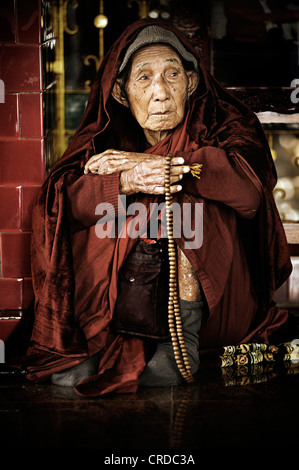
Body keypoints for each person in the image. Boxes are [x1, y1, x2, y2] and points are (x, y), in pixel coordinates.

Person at [16, 18, 291, 397]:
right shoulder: (104, 136)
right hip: (130, 304)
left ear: (190, 82)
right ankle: (98, 341)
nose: (160, 92)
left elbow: (247, 195)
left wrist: (138, 163)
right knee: (104, 216)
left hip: (221, 301)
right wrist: (125, 182)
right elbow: (63, 205)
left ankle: (179, 347)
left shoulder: (225, 124)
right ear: (120, 91)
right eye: (143, 78)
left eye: (172, 74)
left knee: (188, 208)